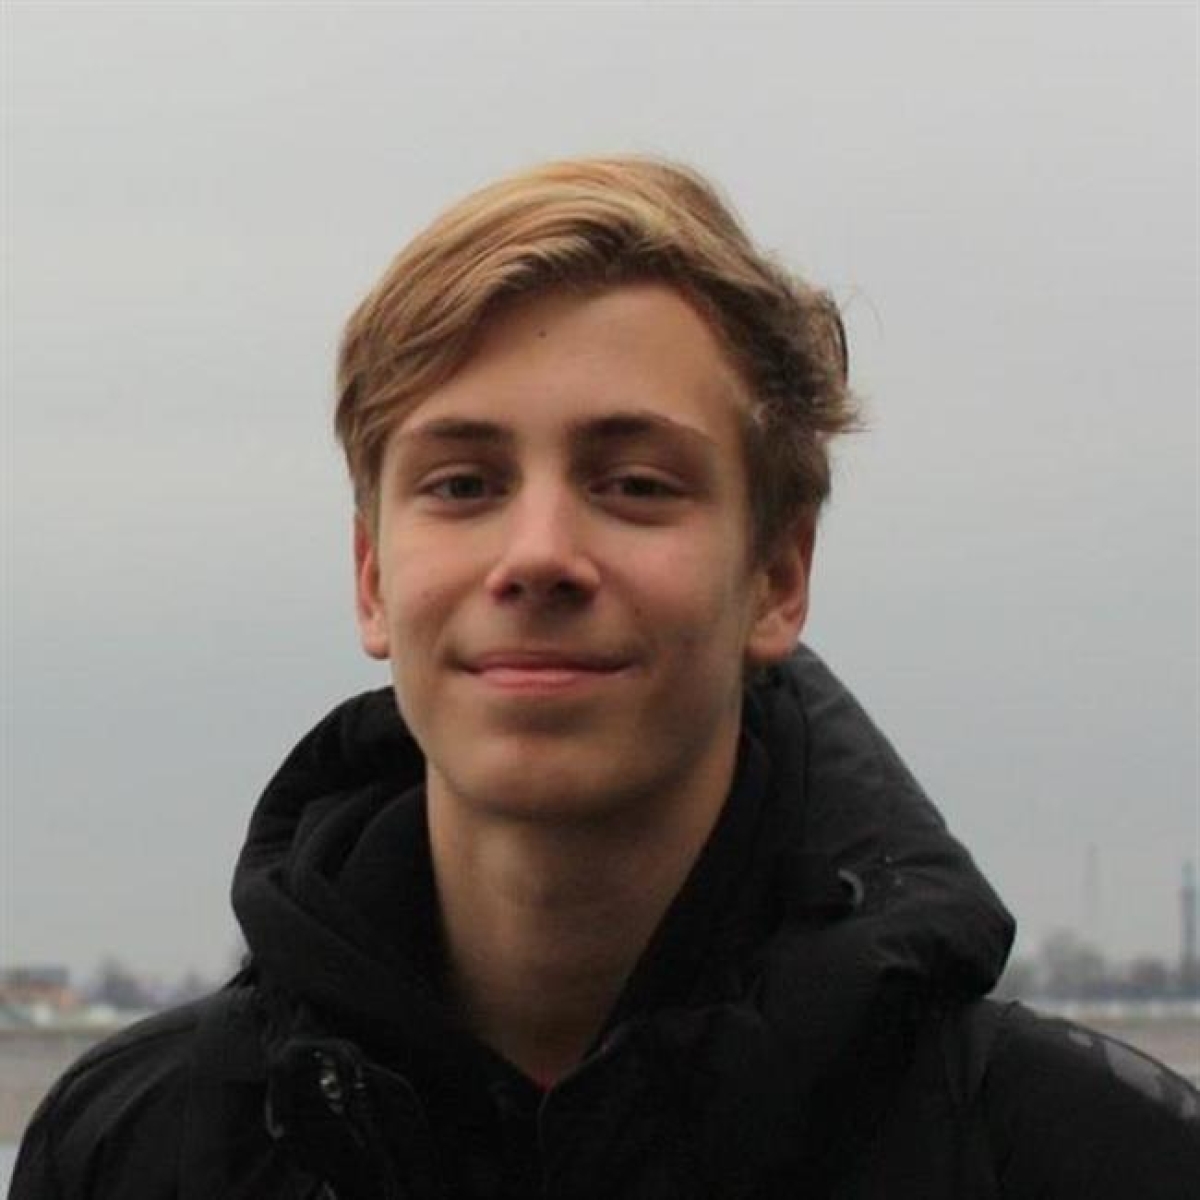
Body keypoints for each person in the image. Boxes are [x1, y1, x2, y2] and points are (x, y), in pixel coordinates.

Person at [12, 157, 1199, 1200]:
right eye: (463, 485)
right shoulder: (138, 1154)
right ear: (373, 579)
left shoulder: (1075, 1158)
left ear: (778, 577)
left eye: (635, 484)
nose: (538, 556)